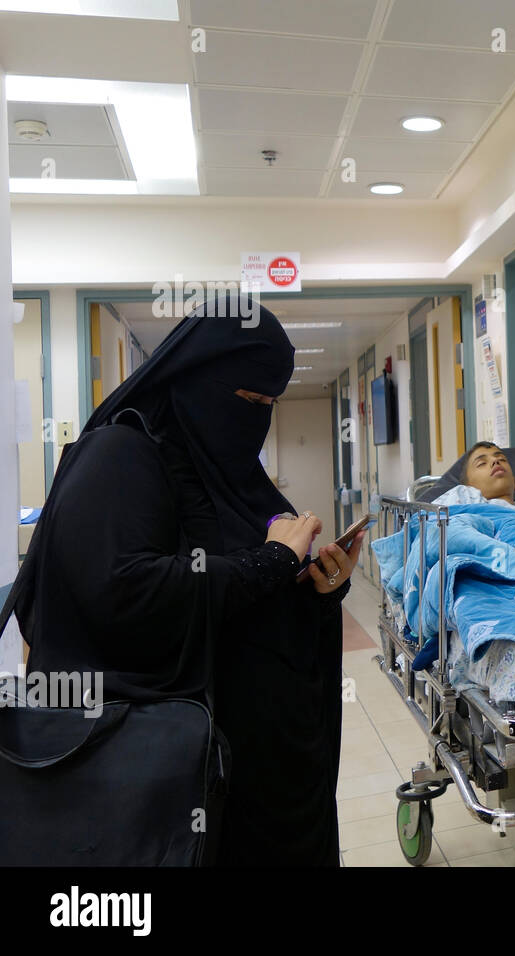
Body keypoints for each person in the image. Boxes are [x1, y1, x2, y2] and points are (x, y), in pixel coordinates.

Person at [9, 293, 364, 866]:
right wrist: (270, 562)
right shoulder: (120, 456)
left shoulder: (234, 477)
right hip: (165, 782)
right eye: (248, 398)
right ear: (198, 379)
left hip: (265, 778)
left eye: (270, 402)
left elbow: (251, 598)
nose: (257, 416)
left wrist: (320, 587)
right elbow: (123, 591)